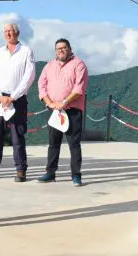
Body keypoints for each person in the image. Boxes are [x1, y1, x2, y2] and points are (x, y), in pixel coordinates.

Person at [0, 22, 35, 182]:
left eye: (11, 31)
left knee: (18, 135)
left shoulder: (26, 51)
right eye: (6, 31)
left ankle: (20, 170)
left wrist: (14, 96)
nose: (8, 34)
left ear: (17, 33)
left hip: (17, 99)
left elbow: (29, 76)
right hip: (0, 99)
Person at [37, 38, 89, 186]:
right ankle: (50, 173)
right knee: (53, 143)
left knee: (74, 144)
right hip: (54, 110)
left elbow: (79, 89)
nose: (60, 50)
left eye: (64, 47)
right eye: (58, 48)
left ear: (70, 49)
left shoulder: (79, 64)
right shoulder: (49, 66)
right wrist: (49, 103)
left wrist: (64, 102)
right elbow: (41, 85)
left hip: (72, 110)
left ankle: (76, 175)